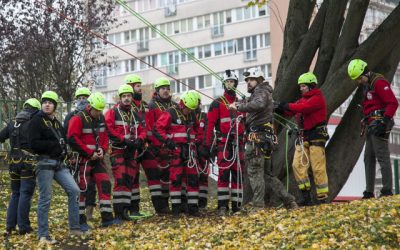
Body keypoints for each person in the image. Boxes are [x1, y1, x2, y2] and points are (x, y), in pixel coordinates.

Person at [229, 68, 298, 211]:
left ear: (259, 80)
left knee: (255, 172)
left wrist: (239, 107)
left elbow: (258, 104)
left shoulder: (260, 92)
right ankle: (289, 201)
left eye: (251, 80)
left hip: (257, 139)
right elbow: (255, 104)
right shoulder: (261, 93)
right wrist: (241, 105)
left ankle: (258, 206)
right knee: (267, 175)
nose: (248, 82)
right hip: (264, 139)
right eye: (247, 80)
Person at [29, 91, 85, 244]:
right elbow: (33, 144)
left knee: (74, 190)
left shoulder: (56, 122)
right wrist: (54, 146)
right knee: (45, 198)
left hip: (60, 163)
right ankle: (43, 235)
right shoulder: (36, 121)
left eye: (50, 102)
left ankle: (74, 228)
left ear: (54, 106)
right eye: (45, 102)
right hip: (44, 163)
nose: (47, 104)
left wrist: (67, 153)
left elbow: (63, 141)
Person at [67, 92, 121, 228]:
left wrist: (102, 149)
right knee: (82, 188)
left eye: (100, 110)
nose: (98, 113)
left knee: (105, 184)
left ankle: (107, 218)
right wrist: (90, 153)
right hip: (83, 159)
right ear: (90, 107)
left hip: (97, 159)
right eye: (97, 110)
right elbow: (72, 139)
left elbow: (104, 136)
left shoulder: (101, 118)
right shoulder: (77, 119)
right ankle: (80, 221)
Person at [275, 72, 329, 205]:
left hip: (316, 135)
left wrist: (285, 105)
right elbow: (291, 110)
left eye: (303, 86)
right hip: (304, 136)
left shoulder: (317, 98)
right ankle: (306, 197)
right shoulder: (303, 99)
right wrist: (277, 108)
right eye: (300, 86)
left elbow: (303, 108)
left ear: (311, 86)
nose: (301, 89)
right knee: (297, 165)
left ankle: (322, 198)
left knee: (317, 167)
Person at [348, 59, 399, 198]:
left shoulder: (379, 82)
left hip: (380, 122)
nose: (358, 81)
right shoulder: (368, 85)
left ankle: (387, 191)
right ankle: (369, 192)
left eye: (359, 78)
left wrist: (384, 121)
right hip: (372, 122)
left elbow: (393, 103)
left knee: (382, 156)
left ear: (365, 73)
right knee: (368, 157)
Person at [205, 70, 245, 216]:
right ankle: (222, 206)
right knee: (223, 174)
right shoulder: (217, 103)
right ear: (224, 84)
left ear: (236, 84)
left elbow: (246, 123)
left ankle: (237, 205)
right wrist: (207, 145)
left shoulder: (242, 103)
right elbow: (209, 126)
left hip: (238, 142)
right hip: (223, 142)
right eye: (228, 82)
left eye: (232, 82)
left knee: (238, 174)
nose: (230, 84)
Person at [154, 91, 200, 217]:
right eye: (188, 109)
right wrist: (168, 141)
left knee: (193, 179)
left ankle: (193, 208)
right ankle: (176, 209)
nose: (189, 111)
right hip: (176, 150)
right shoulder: (170, 112)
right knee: (176, 179)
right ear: (182, 104)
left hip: (190, 150)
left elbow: (197, 129)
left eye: (192, 109)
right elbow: (158, 128)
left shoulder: (191, 113)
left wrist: (198, 142)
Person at [105, 84, 146, 219]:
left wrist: (140, 139)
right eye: (124, 96)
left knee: (129, 181)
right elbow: (109, 129)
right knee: (121, 181)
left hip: (131, 152)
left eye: (129, 96)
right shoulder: (112, 112)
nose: (127, 99)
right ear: (120, 98)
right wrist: (123, 139)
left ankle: (126, 211)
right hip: (118, 151)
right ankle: (119, 213)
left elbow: (142, 130)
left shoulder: (135, 115)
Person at [0, 98, 40, 236]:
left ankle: (10, 226)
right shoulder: (33, 123)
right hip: (27, 164)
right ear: (35, 110)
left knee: (15, 193)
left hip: (12, 163)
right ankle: (23, 227)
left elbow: (1, 137)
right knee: (25, 194)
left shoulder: (12, 123)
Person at [145, 77, 178, 213]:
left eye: (167, 88)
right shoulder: (151, 106)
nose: (166, 91)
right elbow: (149, 127)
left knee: (168, 178)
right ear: (157, 91)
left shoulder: (174, 105)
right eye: (163, 89)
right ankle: (160, 207)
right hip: (157, 148)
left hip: (171, 147)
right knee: (157, 179)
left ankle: (166, 204)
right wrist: (155, 145)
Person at [64, 87, 97, 221]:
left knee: (92, 184)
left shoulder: (94, 115)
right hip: (77, 156)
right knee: (78, 183)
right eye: (80, 97)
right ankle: (77, 212)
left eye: (85, 97)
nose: (82, 100)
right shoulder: (71, 116)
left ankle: (89, 211)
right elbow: (67, 136)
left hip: (93, 155)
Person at [190, 90, 209, 209]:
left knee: (204, 174)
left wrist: (206, 146)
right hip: (191, 147)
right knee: (192, 174)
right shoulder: (187, 115)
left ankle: (202, 201)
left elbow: (207, 131)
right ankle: (192, 200)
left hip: (202, 147)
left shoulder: (204, 116)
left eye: (198, 103)